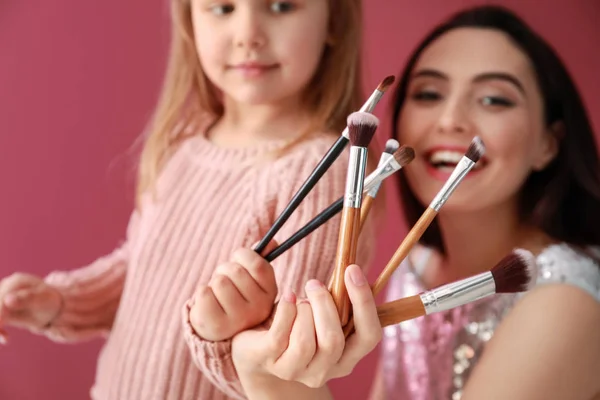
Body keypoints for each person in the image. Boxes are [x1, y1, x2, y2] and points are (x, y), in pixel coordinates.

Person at [0, 0, 377, 399]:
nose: (248, 34)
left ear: (333, 20)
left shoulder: (318, 170)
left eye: (281, 6)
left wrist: (213, 336)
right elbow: (141, 267)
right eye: (222, 8)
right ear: (189, 22)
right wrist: (60, 301)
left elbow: (289, 361)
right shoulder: (183, 142)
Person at [227, 5, 600, 400]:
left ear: (548, 143)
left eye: (493, 99)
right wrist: (268, 372)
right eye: (428, 94)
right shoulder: (415, 267)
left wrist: (271, 380)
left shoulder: (565, 301)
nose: (451, 120)